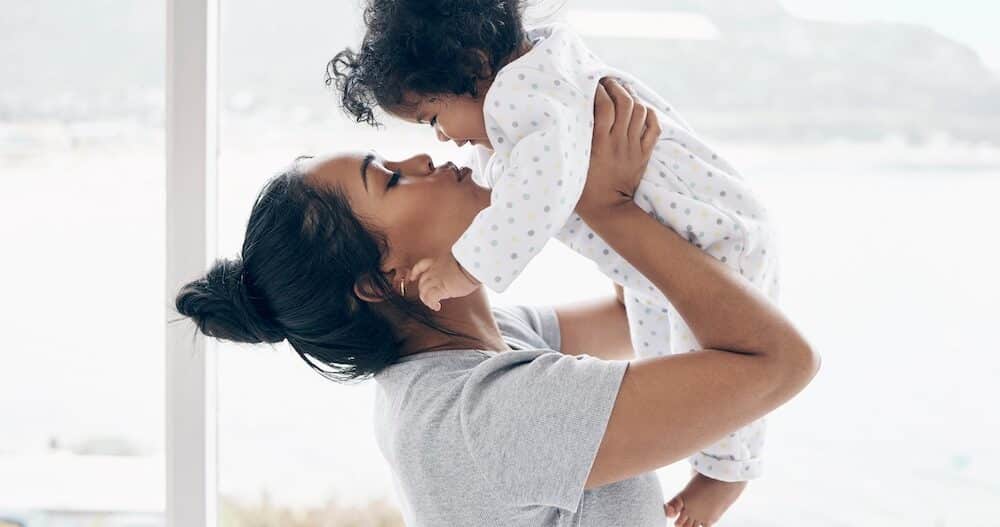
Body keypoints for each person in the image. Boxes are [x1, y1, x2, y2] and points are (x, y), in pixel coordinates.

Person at [175, 79, 819, 526]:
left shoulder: (473, 351)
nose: (423, 156)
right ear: (378, 280)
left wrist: (571, 172)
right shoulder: (483, 417)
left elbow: (632, 316)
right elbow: (782, 364)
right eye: (391, 179)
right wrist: (610, 209)